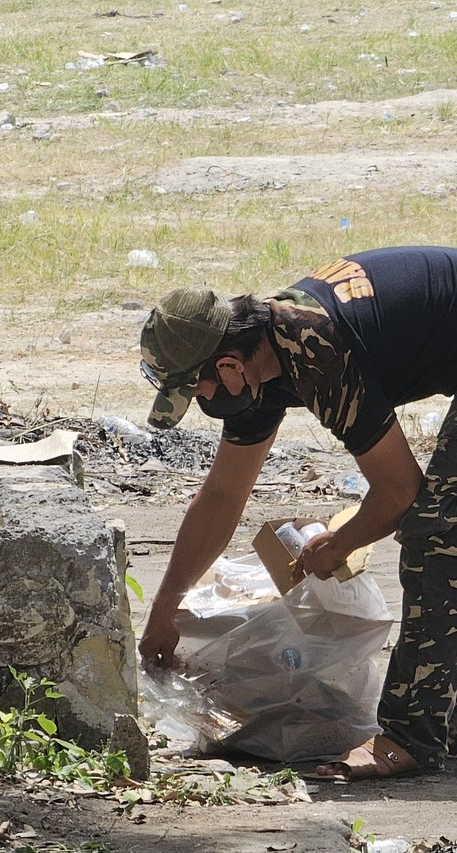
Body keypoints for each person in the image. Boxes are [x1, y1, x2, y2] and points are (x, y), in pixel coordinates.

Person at [138, 245, 457, 781]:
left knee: (436, 533)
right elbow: (221, 497)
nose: (205, 400)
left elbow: (399, 490)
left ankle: (411, 738)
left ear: (228, 365)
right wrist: (165, 610)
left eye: (199, 389)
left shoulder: (315, 350)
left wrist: (339, 543)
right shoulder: (259, 363)